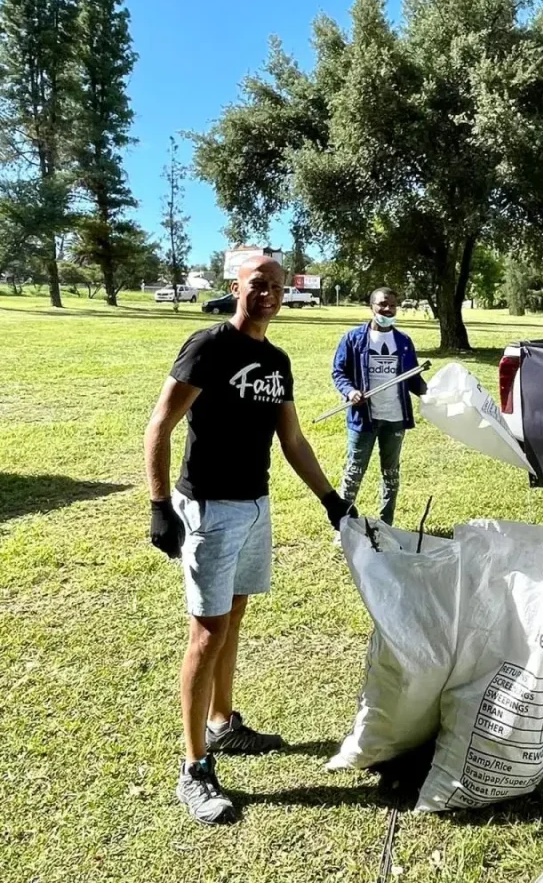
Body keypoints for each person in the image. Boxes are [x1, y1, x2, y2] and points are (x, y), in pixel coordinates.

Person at [144, 255, 354, 827]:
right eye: (257, 285)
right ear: (236, 287)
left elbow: (292, 438)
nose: (267, 295)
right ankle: (194, 769)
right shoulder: (209, 346)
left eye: (276, 287)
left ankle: (222, 723)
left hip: (256, 506)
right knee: (206, 634)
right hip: (210, 508)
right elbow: (159, 424)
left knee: (233, 619)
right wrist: (160, 505)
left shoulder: (277, 361)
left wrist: (330, 498)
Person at [332, 287, 427, 526]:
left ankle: (386, 525)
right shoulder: (354, 338)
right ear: (371, 306)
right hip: (363, 420)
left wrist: (431, 393)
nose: (387, 309)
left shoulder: (403, 342)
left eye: (392, 305)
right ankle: (343, 525)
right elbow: (339, 372)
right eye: (382, 304)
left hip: (395, 418)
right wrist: (351, 391)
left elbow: (413, 378)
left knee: (391, 474)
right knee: (354, 472)